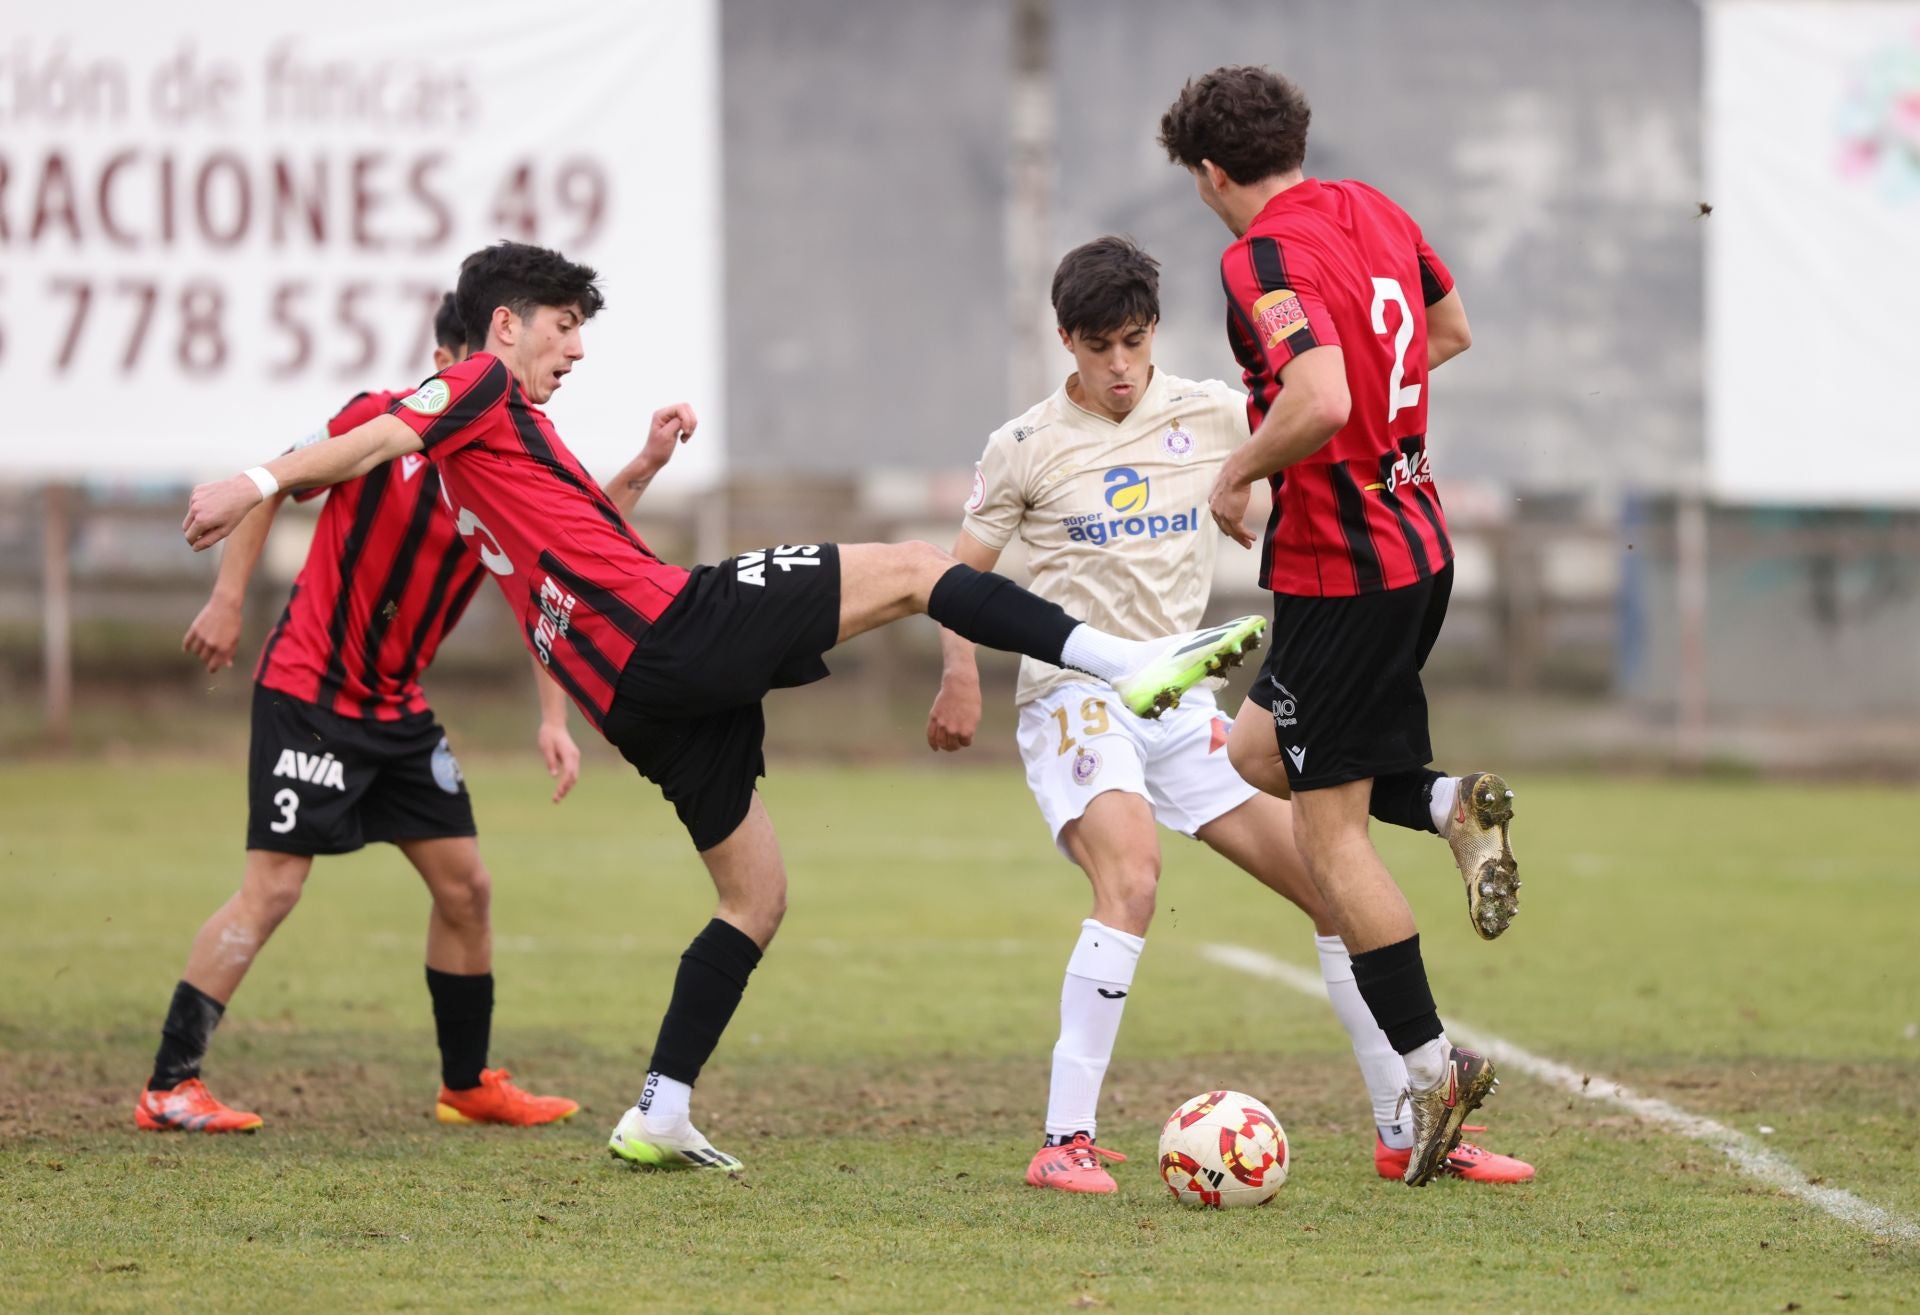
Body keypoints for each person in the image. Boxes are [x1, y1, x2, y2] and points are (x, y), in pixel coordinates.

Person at [179, 240, 1269, 1171]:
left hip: (632, 698)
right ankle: (1120, 665)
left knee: (756, 895)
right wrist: (257, 481)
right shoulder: (471, 391)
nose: (577, 347)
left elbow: (578, 536)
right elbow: (380, 435)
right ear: (503, 328)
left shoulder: (496, 453)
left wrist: (644, 466)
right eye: (564, 326)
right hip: (670, 632)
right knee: (908, 566)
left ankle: (661, 1108)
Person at [927, 236, 1530, 1191]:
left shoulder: (1213, 412)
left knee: (1334, 882)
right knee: (1132, 876)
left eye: (1133, 342)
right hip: (1076, 697)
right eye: (1097, 347)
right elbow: (959, 576)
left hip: (1183, 700)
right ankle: (1064, 1140)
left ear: (1155, 331)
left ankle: (1405, 1129)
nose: (1119, 366)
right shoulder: (1025, 447)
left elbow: (1318, 413)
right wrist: (958, 670)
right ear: (1064, 341)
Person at [138, 294, 628, 1135]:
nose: (451, 392)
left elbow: (544, 586)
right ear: (445, 362)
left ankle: (467, 1083)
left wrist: (556, 716)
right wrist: (227, 600)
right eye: (446, 373)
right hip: (310, 693)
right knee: (276, 885)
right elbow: (268, 484)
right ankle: (169, 1086)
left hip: (398, 712)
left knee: (466, 887)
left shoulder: (498, 464)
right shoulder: (375, 424)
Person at [1159, 65, 1523, 1186]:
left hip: (1340, 571)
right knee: (1255, 752)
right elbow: (1447, 327)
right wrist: (1375, 395)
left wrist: (1238, 470)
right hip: (1419, 543)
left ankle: (1431, 1067)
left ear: (1212, 172)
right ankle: (1445, 801)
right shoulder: (1375, 209)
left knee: (1329, 839)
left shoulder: (1257, 257)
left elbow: (1317, 398)